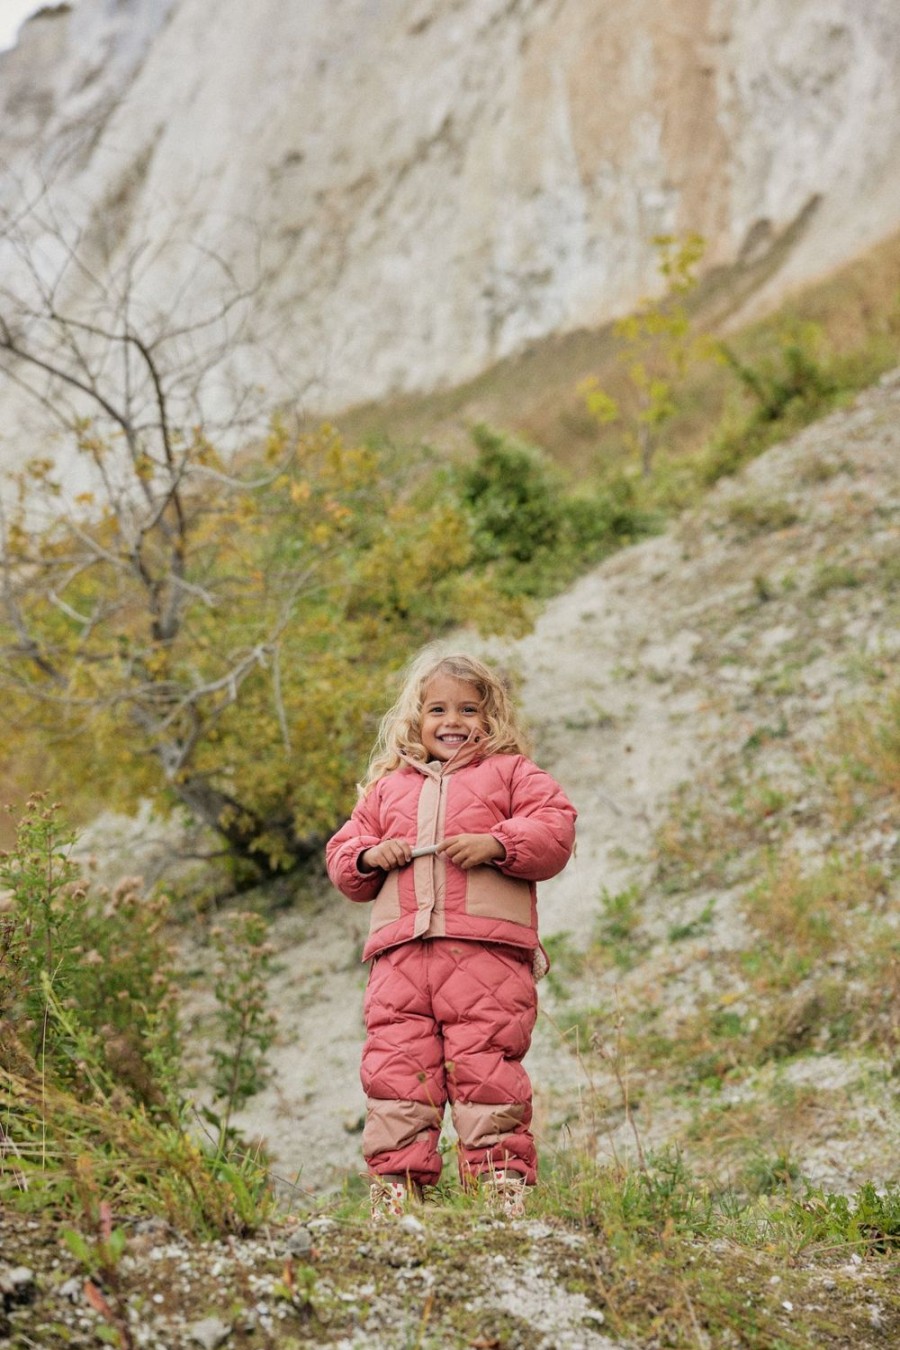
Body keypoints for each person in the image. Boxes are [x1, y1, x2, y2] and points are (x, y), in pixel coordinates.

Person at [326, 649, 577, 1221]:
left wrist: (498, 843)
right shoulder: (387, 789)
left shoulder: (512, 773)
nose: (453, 722)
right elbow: (341, 856)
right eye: (437, 709)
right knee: (396, 1076)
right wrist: (369, 855)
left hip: (487, 960)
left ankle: (498, 1194)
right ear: (415, 720)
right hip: (400, 965)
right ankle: (397, 1197)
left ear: (494, 718)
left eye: (469, 709)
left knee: (487, 1073)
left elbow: (555, 828)